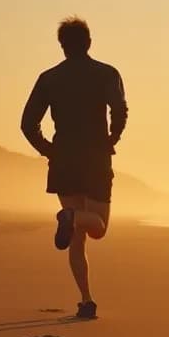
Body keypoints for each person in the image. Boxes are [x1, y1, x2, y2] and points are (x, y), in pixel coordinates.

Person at [20, 17, 127, 320]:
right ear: (89, 42)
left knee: (78, 236)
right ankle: (71, 218)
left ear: (62, 46)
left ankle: (86, 300)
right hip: (95, 158)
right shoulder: (106, 73)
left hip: (64, 159)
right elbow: (119, 109)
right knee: (98, 228)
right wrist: (112, 138)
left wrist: (48, 150)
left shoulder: (49, 78)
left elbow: (27, 124)